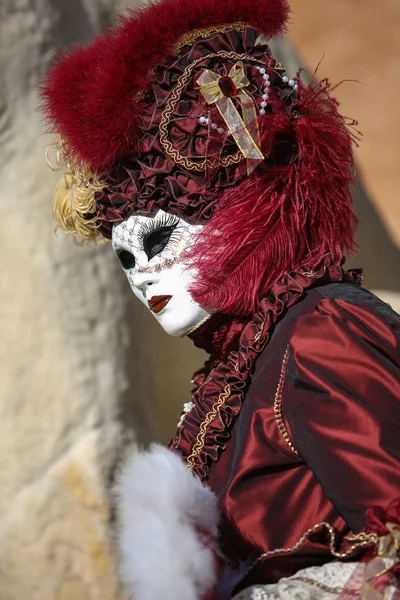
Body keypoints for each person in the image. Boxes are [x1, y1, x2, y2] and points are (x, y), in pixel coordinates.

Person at [41, 0, 400, 597]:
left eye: (159, 235)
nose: (142, 274)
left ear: (244, 206)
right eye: (124, 257)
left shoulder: (321, 333)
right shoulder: (237, 375)